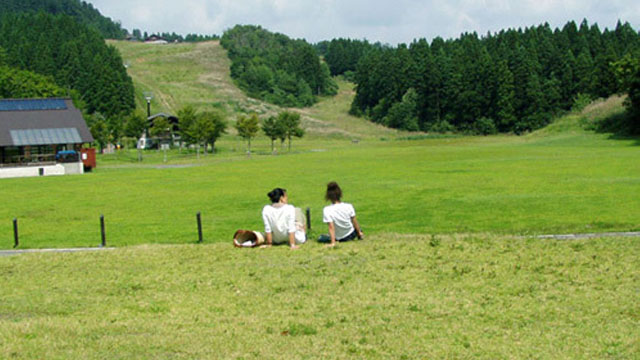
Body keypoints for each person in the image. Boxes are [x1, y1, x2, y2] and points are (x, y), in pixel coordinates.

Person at [320, 182, 363, 247]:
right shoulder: (349, 206)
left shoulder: (327, 210)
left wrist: (333, 242)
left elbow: (331, 227)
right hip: (350, 235)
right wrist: (359, 233)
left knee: (321, 237)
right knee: (359, 229)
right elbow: (354, 222)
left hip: (338, 237)